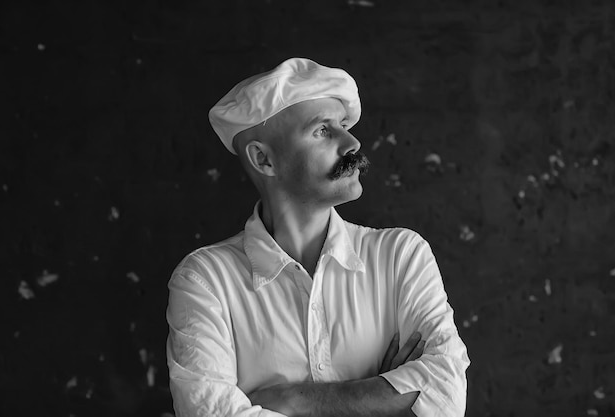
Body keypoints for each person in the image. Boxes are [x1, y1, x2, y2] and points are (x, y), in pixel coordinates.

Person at [166, 57, 470, 417]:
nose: (352, 142)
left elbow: (446, 392)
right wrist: (379, 401)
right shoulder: (205, 280)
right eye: (323, 130)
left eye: (343, 125)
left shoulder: (400, 256)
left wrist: (294, 401)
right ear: (264, 159)